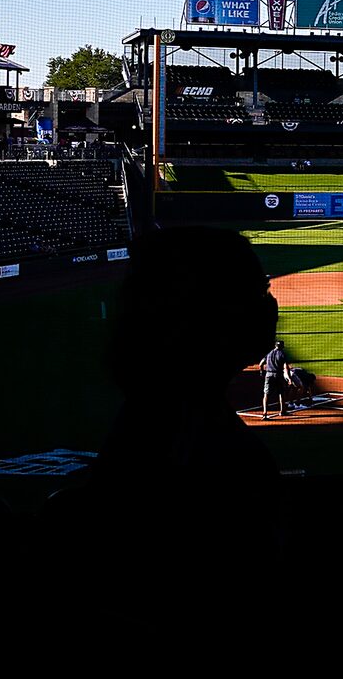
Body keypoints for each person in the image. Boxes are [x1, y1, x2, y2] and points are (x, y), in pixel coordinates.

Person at [88, 227, 281, 544]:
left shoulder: (145, 424)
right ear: (214, 317)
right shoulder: (226, 461)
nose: (270, 305)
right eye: (259, 293)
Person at [261, 340, 289, 419]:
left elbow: (261, 363)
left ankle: (265, 413)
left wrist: (261, 372)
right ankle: (282, 411)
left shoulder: (269, 353)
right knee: (281, 392)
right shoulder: (282, 354)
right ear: (282, 347)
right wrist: (289, 378)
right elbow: (286, 367)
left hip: (268, 374)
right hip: (278, 375)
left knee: (266, 394)